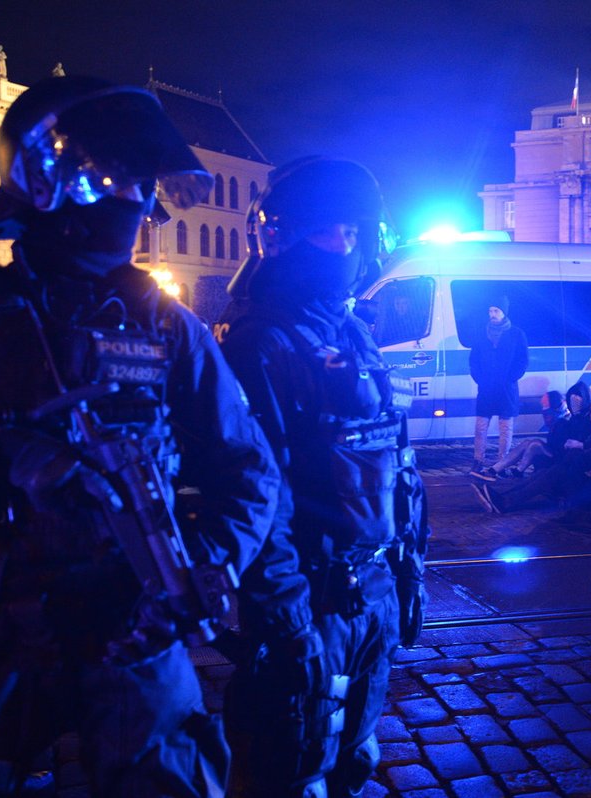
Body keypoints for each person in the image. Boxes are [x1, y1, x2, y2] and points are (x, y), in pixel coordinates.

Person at [0, 76, 281, 797]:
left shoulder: (165, 324)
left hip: (138, 633)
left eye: (140, 180)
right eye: (112, 176)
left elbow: (247, 468)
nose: (132, 199)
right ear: (46, 183)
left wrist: (210, 563)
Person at [218, 156, 428, 797]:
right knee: (291, 776)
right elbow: (252, 490)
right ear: (279, 237)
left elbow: (397, 464)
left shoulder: (356, 335)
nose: (344, 247)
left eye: (352, 231)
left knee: (357, 759)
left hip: (371, 596)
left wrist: (408, 569)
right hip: (310, 598)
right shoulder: (260, 344)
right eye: (327, 231)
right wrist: (285, 616)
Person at [467, 295, 529, 477]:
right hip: (486, 388)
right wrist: (479, 378)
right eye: (490, 311)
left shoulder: (516, 334)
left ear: (504, 312)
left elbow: (522, 360)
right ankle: (478, 460)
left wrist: (510, 378)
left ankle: (503, 462)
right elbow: (474, 360)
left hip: (506, 389)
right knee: (480, 426)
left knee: (505, 427)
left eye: (496, 311)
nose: (492, 314)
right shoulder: (481, 333)